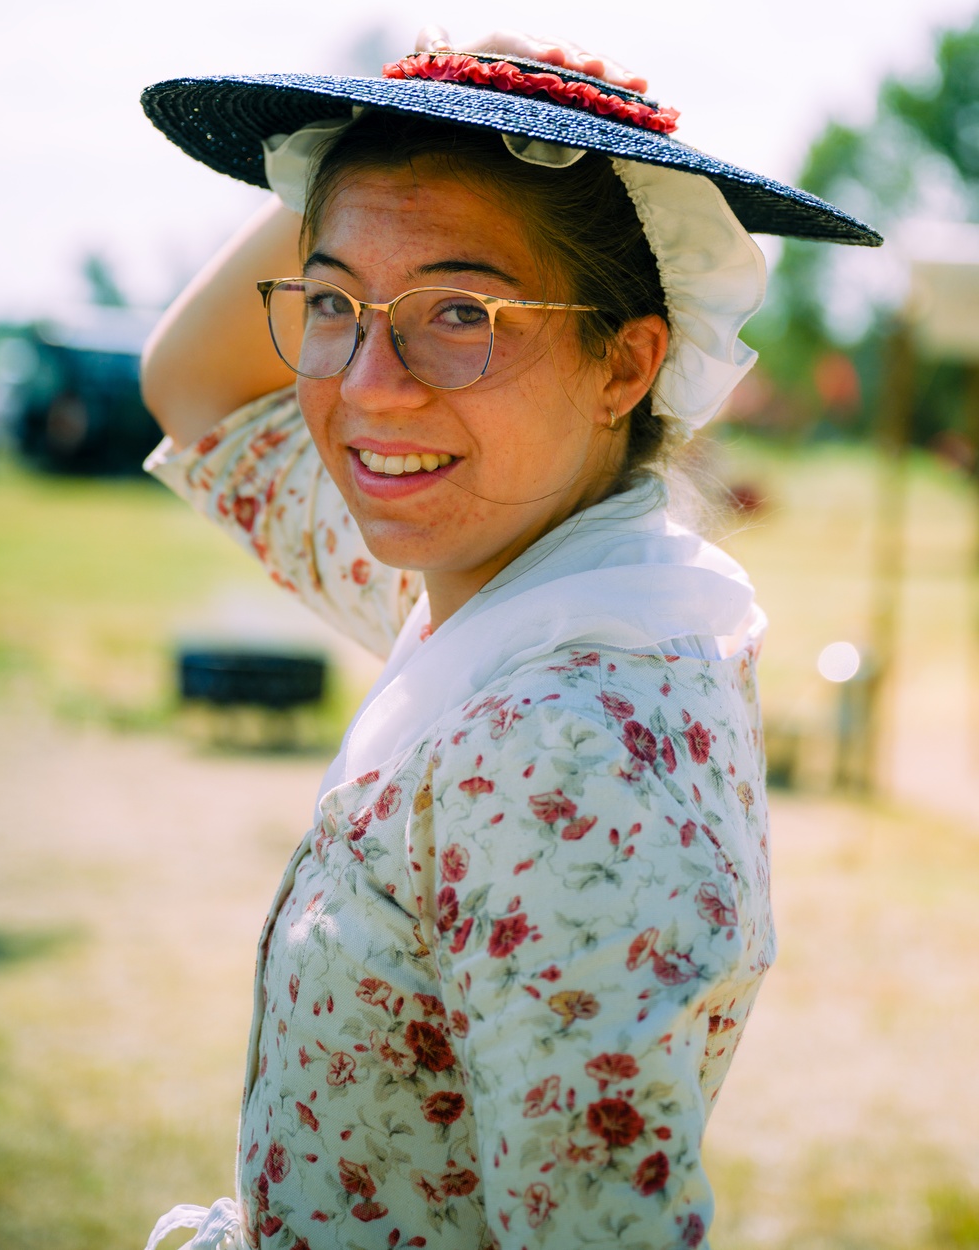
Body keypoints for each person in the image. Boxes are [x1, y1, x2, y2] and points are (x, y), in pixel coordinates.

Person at [138, 30, 880, 1250]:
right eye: (331, 303)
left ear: (625, 362)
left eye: (459, 311)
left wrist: (377, 165)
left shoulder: (562, 737)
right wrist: (391, 126)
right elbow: (195, 389)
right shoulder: (495, 586)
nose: (371, 383)